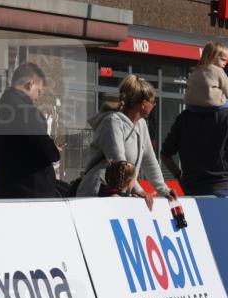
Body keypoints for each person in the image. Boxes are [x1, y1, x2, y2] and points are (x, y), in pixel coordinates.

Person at [75, 75, 175, 208]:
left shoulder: (141, 124)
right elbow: (119, 163)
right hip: (97, 193)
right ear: (144, 104)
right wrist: (139, 191)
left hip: (119, 194)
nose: (155, 105)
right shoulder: (112, 122)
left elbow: (150, 162)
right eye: (153, 102)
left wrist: (164, 190)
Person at [0, 62, 60, 199]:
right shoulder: (28, 113)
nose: (37, 98)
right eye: (39, 91)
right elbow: (47, 152)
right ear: (30, 84)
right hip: (31, 196)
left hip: (4, 192)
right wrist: (54, 149)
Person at [159, 95, 228, 198]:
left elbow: (165, 154)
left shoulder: (184, 118)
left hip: (192, 186)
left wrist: (179, 175)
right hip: (221, 185)